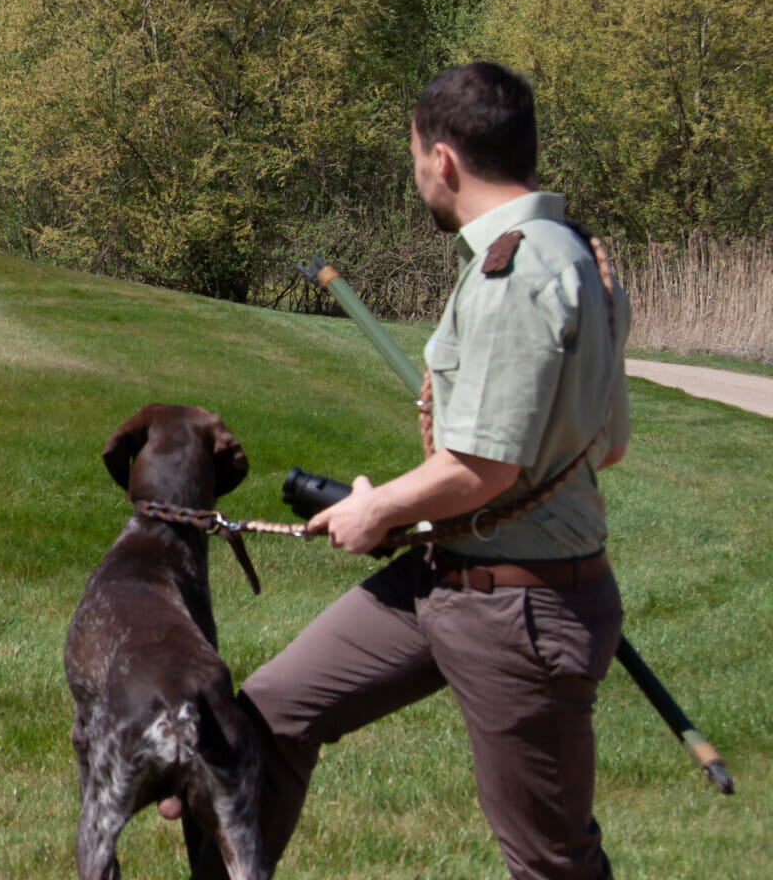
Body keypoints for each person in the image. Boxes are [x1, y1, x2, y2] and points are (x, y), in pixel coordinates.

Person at [242, 62, 630, 879]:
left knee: (551, 861)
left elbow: (482, 467)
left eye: (415, 155)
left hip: (522, 607)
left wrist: (375, 509)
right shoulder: (582, 261)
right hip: (444, 578)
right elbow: (611, 444)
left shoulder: (516, 272)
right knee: (271, 713)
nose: (417, 172)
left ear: (443, 159)